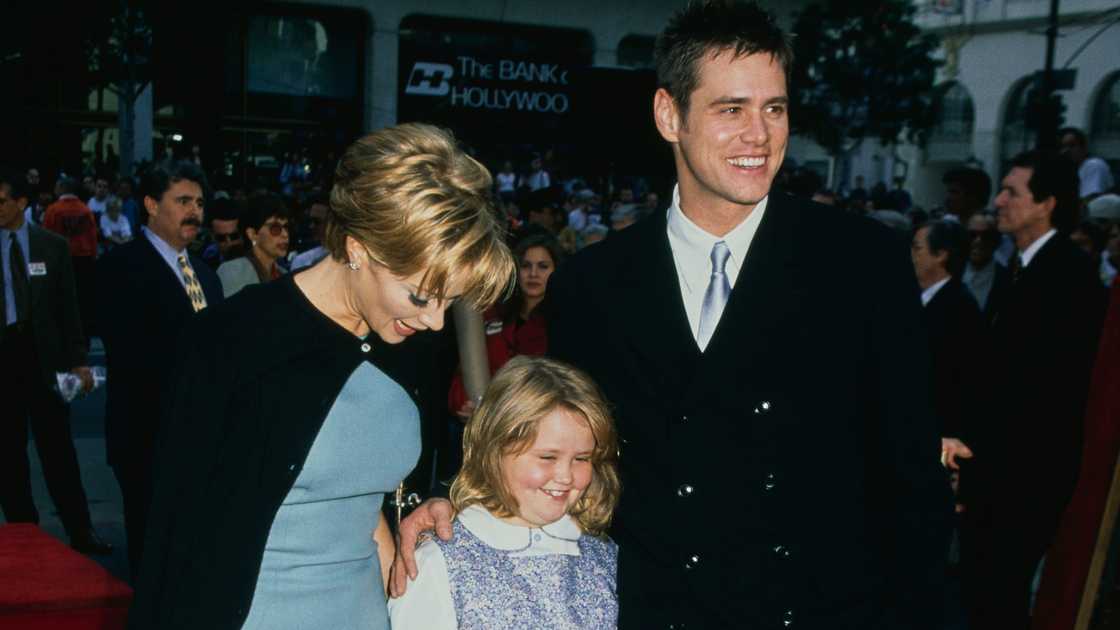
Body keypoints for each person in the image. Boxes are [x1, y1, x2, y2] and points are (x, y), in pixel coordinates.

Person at [395, 2, 953, 628]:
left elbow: (912, 481)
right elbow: (552, 448)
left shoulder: (859, 262)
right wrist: (454, 507)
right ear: (669, 115)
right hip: (659, 612)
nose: (761, 136)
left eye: (775, 108)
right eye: (731, 109)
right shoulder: (594, 285)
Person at [127, 123, 515, 630]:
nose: (436, 320)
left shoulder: (408, 340)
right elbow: (173, 529)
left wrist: (414, 516)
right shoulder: (237, 338)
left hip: (364, 612)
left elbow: (367, 491)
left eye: (449, 300)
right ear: (359, 248)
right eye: (421, 295)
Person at [961, 150, 1107, 630]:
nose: (998, 201)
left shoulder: (1066, 276)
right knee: (984, 594)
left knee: (997, 597)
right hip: (1002, 474)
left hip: (1023, 479)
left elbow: (1042, 391)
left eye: (1012, 192)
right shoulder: (1022, 269)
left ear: (1047, 203)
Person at [390, 356, 620, 629]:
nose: (566, 476)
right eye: (547, 457)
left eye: (582, 458)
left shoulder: (600, 553)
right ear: (494, 452)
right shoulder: (441, 562)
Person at [97, 159, 224, 576]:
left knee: (192, 549)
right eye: (183, 201)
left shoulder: (206, 275)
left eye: (200, 202)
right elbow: (133, 357)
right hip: (146, 435)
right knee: (152, 552)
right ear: (151, 204)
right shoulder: (122, 266)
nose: (196, 212)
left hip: (201, 436)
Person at [0, 168, 111, 555]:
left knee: (58, 450)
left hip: (43, 359)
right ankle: (22, 533)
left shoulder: (52, 247)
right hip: (3, 358)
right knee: (8, 452)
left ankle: (81, 530)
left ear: (21, 203)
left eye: (1, 201)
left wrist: (79, 361)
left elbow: (69, 310)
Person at [448, 233, 561, 420]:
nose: (533, 274)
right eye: (525, 266)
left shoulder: (561, 322)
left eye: (543, 266)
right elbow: (463, 370)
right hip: (479, 422)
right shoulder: (491, 313)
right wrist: (463, 403)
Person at [216, 193, 290, 297]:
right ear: (252, 234)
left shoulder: (285, 275)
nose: (285, 235)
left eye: (286, 227)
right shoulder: (232, 271)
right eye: (275, 228)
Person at [962, 213, 1011, 325]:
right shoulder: (948, 267)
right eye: (972, 235)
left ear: (996, 241)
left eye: (986, 236)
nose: (978, 241)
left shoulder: (1005, 280)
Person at [1059, 127, 1115, 204]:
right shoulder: (1071, 170)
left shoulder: (1094, 165)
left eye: (1072, 145)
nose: (1066, 151)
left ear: (1084, 147)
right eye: (1063, 147)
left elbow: (1089, 200)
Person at [289, 195, 330, 271]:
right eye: (311, 221)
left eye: (316, 222)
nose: (311, 226)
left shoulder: (353, 257)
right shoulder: (302, 261)